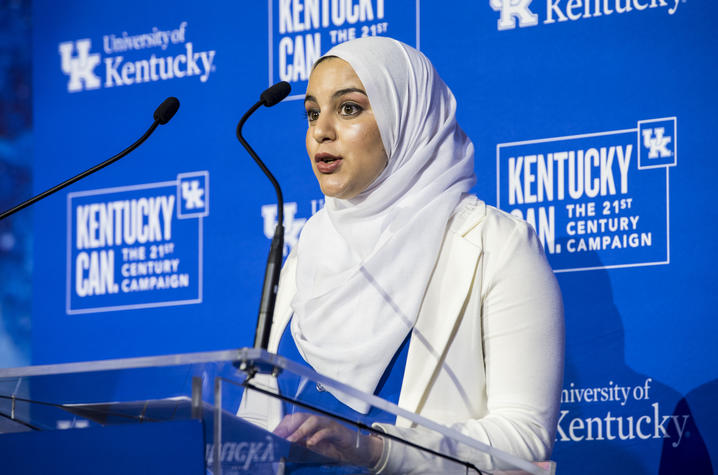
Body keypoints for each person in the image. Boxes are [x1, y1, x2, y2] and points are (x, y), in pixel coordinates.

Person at [238, 36, 564, 473]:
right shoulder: (305, 255)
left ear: (406, 117)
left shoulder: (496, 246)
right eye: (312, 113)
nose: (320, 131)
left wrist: (377, 449)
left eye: (349, 108)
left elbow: (524, 440)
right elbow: (256, 421)